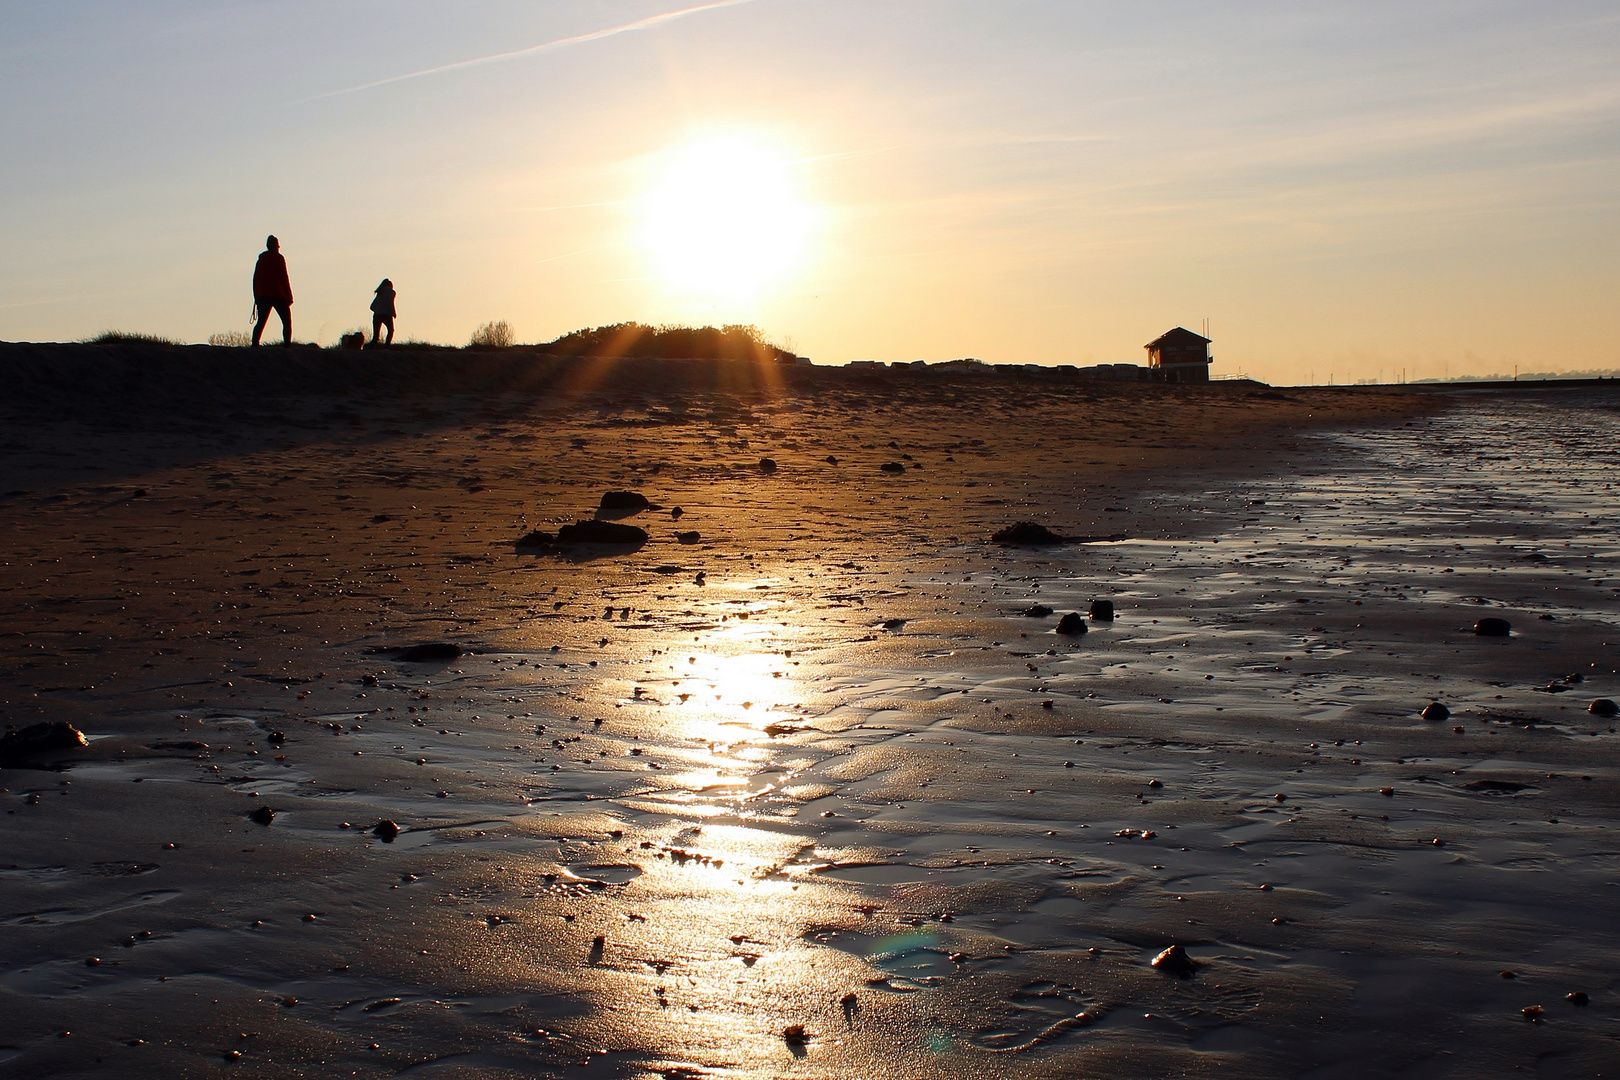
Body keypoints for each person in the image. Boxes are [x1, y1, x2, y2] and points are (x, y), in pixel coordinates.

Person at [251, 235, 294, 346]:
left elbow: (255, 279)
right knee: (287, 322)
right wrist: (289, 296)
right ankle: (287, 345)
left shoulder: (261, 259)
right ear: (276, 246)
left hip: (263, 296)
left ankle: (255, 345)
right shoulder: (279, 259)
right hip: (277, 295)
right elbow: (284, 278)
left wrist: (256, 297)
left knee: (261, 322)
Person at [369, 278, 397, 347]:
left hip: (377, 315)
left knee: (376, 336)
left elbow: (372, 306)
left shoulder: (379, 293)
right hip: (387, 315)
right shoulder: (391, 292)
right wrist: (393, 312)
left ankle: (370, 349)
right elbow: (390, 303)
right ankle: (387, 346)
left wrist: (378, 310)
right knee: (391, 330)